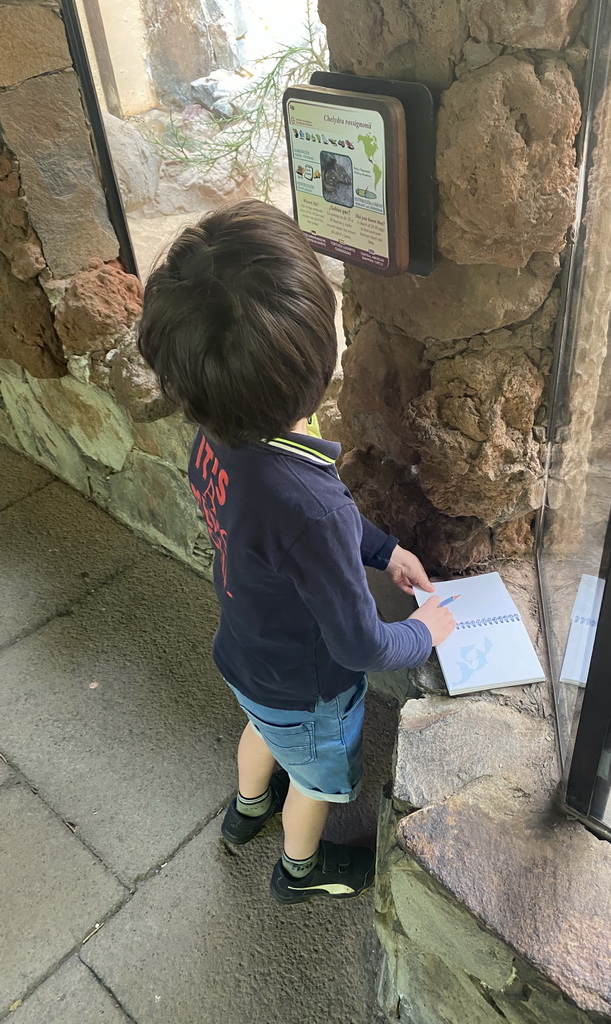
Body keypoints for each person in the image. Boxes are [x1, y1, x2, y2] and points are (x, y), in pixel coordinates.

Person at [138, 199, 455, 904]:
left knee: (260, 733)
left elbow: (308, 533)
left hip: (247, 658)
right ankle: (300, 870)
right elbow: (361, 643)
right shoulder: (307, 505)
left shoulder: (218, 429)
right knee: (316, 780)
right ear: (317, 355)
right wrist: (424, 632)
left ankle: (247, 808)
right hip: (310, 690)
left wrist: (382, 549)